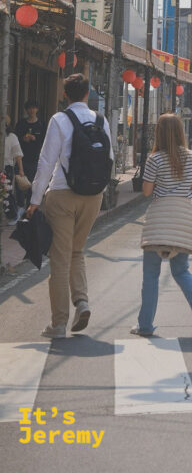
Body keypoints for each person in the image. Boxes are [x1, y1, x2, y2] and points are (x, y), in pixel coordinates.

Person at [26, 74, 114, 339]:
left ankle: (59, 323)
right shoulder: (101, 120)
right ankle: (82, 302)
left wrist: (35, 200)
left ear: (65, 95)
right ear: (87, 93)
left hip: (63, 194)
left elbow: (46, 162)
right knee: (77, 250)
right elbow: (109, 158)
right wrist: (100, 192)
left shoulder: (59, 120)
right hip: (93, 196)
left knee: (60, 258)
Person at [131, 113, 192, 338]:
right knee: (181, 270)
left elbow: (147, 191)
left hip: (160, 219)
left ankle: (145, 325)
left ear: (159, 133)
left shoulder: (154, 159)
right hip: (183, 219)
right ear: (180, 132)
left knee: (151, 275)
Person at [14, 100, 46, 206]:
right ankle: (20, 206)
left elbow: (45, 141)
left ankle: (29, 207)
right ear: (26, 110)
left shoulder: (42, 125)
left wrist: (35, 138)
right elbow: (15, 139)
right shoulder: (21, 123)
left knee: (33, 184)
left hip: (35, 159)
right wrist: (23, 139)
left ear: (37, 109)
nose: (32, 110)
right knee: (20, 184)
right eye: (29, 108)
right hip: (21, 159)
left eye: (34, 108)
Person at [3, 122, 26, 223]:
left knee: (6, 193)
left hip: (6, 167)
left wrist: (21, 170)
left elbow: (18, 155)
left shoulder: (12, 137)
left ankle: (13, 215)